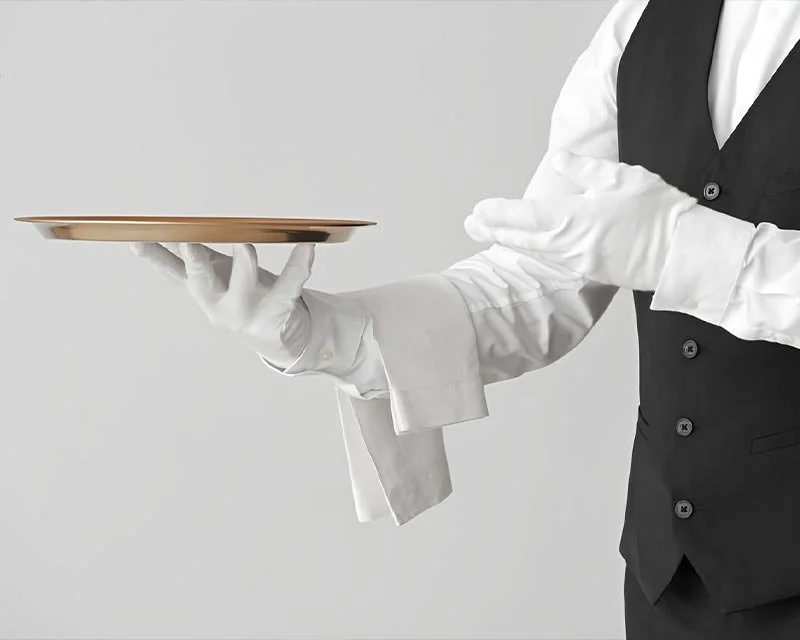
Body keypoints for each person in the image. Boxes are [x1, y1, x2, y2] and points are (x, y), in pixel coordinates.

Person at [131, 0, 800, 637]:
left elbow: (655, 242)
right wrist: (321, 334)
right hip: (674, 583)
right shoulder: (641, 20)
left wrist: (694, 252)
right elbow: (547, 274)